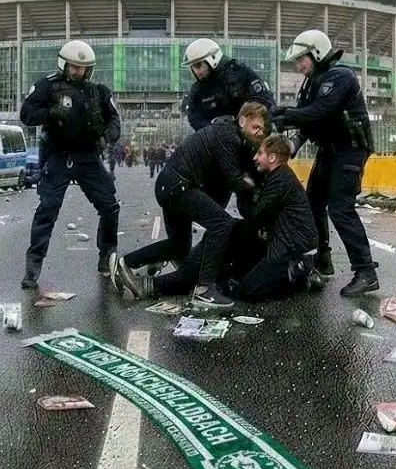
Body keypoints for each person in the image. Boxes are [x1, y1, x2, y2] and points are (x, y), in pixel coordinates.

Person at [110, 102, 269, 307]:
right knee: (223, 224)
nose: (259, 132)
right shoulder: (228, 136)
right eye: (255, 127)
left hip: (171, 185)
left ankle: (126, 263)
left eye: (262, 129)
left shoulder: (228, 134)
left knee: (179, 245)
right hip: (179, 186)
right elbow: (234, 179)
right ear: (242, 121)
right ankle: (204, 289)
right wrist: (253, 184)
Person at [272, 29, 379, 296]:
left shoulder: (340, 76)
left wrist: (286, 114)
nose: (298, 66)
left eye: (301, 59)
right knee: (313, 203)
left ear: (317, 53)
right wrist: (292, 144)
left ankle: (366, 271)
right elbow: (310, 121)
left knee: (340, 207)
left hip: (350, 149)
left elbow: (321, 111)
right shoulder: (312, 83)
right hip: (329, 150)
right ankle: (323, 258)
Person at [19, 40, 121, 290]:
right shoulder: (48, 86)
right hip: (59, 155)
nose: (78, 71)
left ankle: (107, 256)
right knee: (47, 209)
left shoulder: (98, 92)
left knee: (109, 206)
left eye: (82, 68)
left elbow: (113, 118)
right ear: (64, 65)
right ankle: (33, 267)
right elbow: (26, 114)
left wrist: (110, 134)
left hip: (88, 156)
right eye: (74, 67)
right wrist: (51, 112)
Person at [223, 134, 321, 299]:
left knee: (244, 292)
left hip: (291, 247)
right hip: (286, 241)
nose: (255, 157)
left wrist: (243, 189)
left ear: (272, 157)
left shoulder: (280, 180)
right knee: (240, 230)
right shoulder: (278, 175)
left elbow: (256, 215)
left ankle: (297, 272)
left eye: (260, 153)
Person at [181, 38, 275, 131]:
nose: (196, 71)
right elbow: (194, 116)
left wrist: (241, 123)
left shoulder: (239, 73)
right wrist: (212, 130)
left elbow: (264, 99)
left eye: (198, 65)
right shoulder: (197, 90)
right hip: (216, 137)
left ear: (212, 58)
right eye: (192, 67)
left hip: (248, 133)